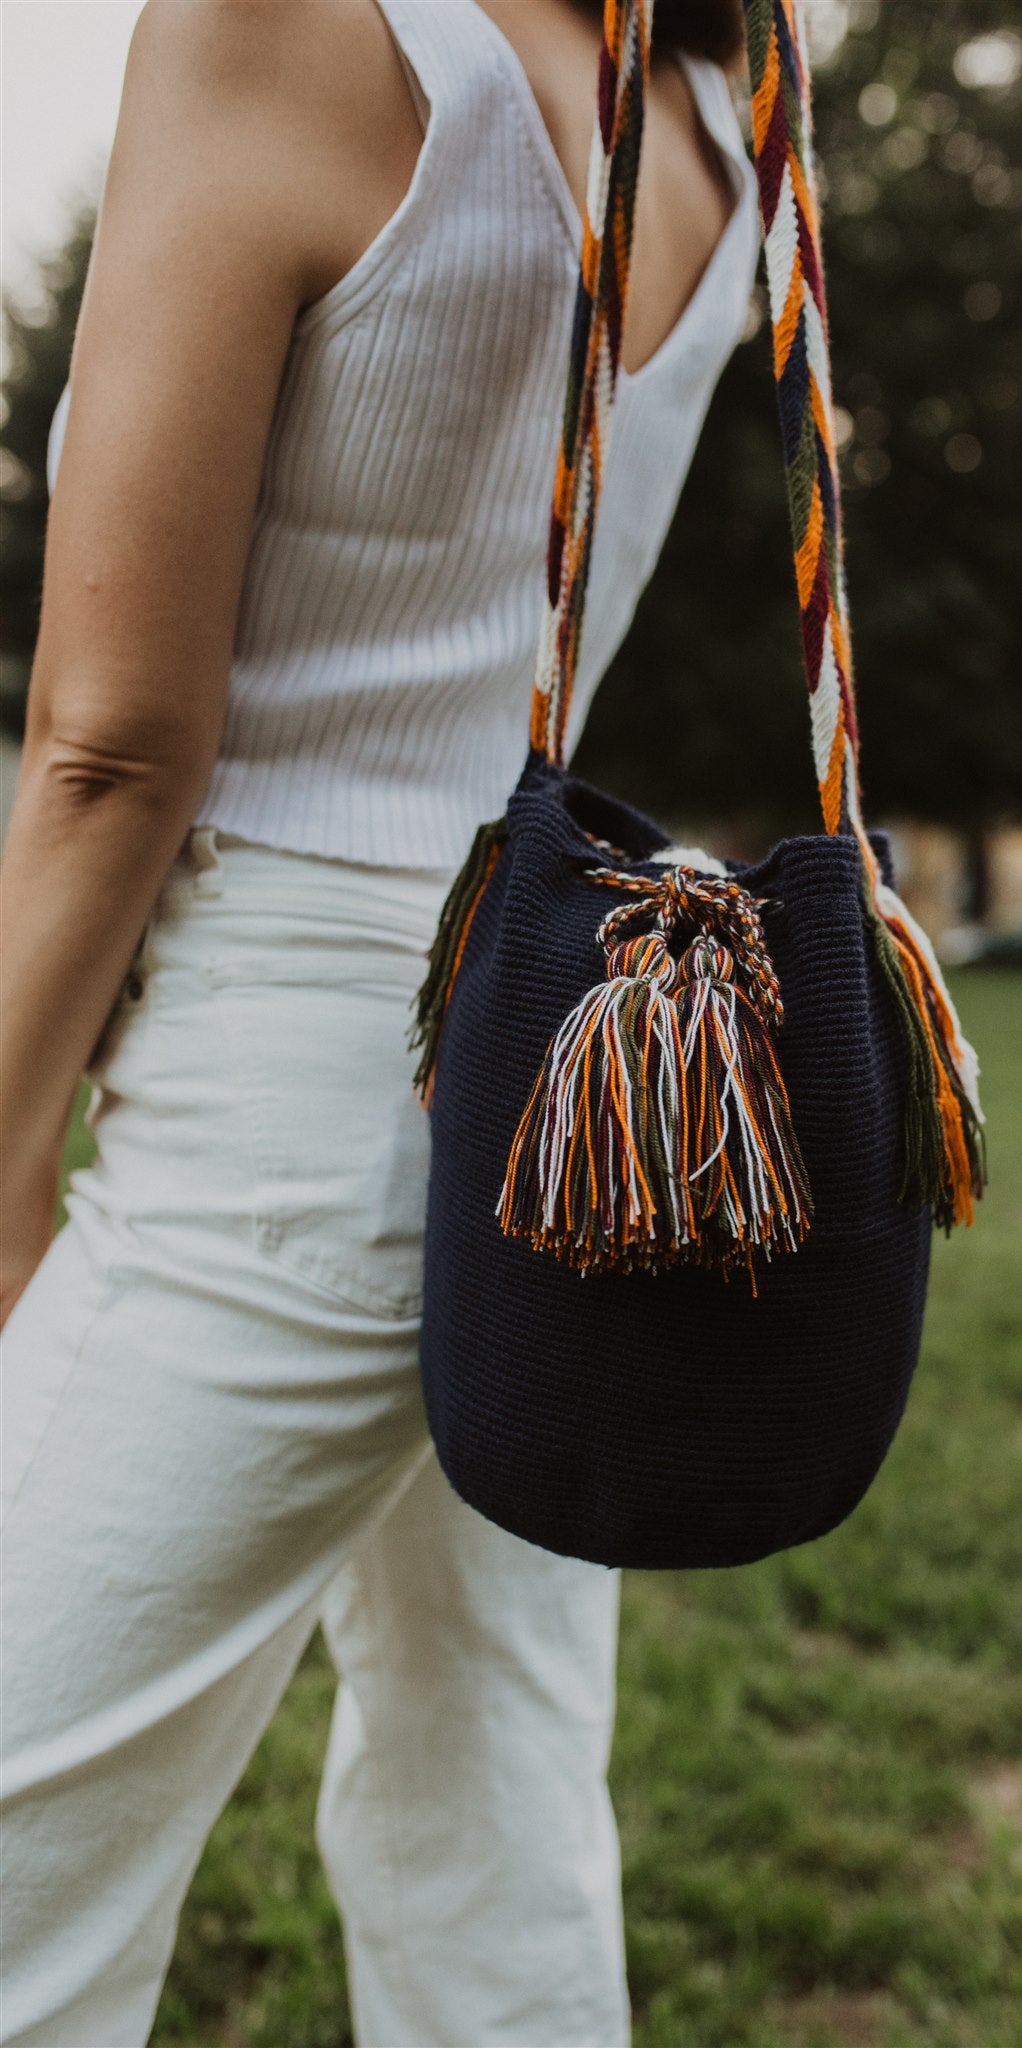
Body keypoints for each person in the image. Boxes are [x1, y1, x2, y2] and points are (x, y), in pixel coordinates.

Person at [0, 0, 757, 2039]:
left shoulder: (291, 29)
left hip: (288, 1087)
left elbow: (106, 745)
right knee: (489, 1828)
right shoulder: (709, 114)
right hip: (552, 1078)